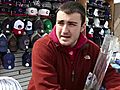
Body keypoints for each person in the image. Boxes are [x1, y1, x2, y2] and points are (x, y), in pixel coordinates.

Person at [28, 1, 120, 90]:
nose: (64, 31)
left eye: (71, 24)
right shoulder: (43, 47)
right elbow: (47, 88)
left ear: (83, 27)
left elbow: (109, 74)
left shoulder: (90, 48)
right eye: (60, 23)